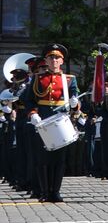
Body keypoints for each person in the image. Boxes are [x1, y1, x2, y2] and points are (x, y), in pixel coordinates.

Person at [17, 42, 81, 202]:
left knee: (60, 159)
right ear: (46, 60)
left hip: (61, 121)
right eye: (51, 58)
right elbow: (29, 100)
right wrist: (33, 114)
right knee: (43, 158)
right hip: (43, 120)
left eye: (57, 58)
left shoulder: (69, 79)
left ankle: (55, 192)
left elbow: (76, 99)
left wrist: (75, 104)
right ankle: (45, 192)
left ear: (62, 61)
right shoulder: (38, 78)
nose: (54, 60)